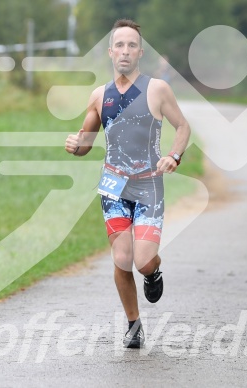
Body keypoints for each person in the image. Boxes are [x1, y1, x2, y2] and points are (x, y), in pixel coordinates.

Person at [65, 19, 190, 348]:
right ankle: (133, 325)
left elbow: (182, 128)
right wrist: (75, 145)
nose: (125, 50)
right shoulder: (99, 96)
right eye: (119, 45)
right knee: (122, 258)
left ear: (140, 52)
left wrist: (174, 156)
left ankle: (153, 273)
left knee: (142, 260)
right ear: (110, 52)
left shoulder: (157, 89)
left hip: (148, 187)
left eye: (131, 45)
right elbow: (85, 144)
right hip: (114, 188)